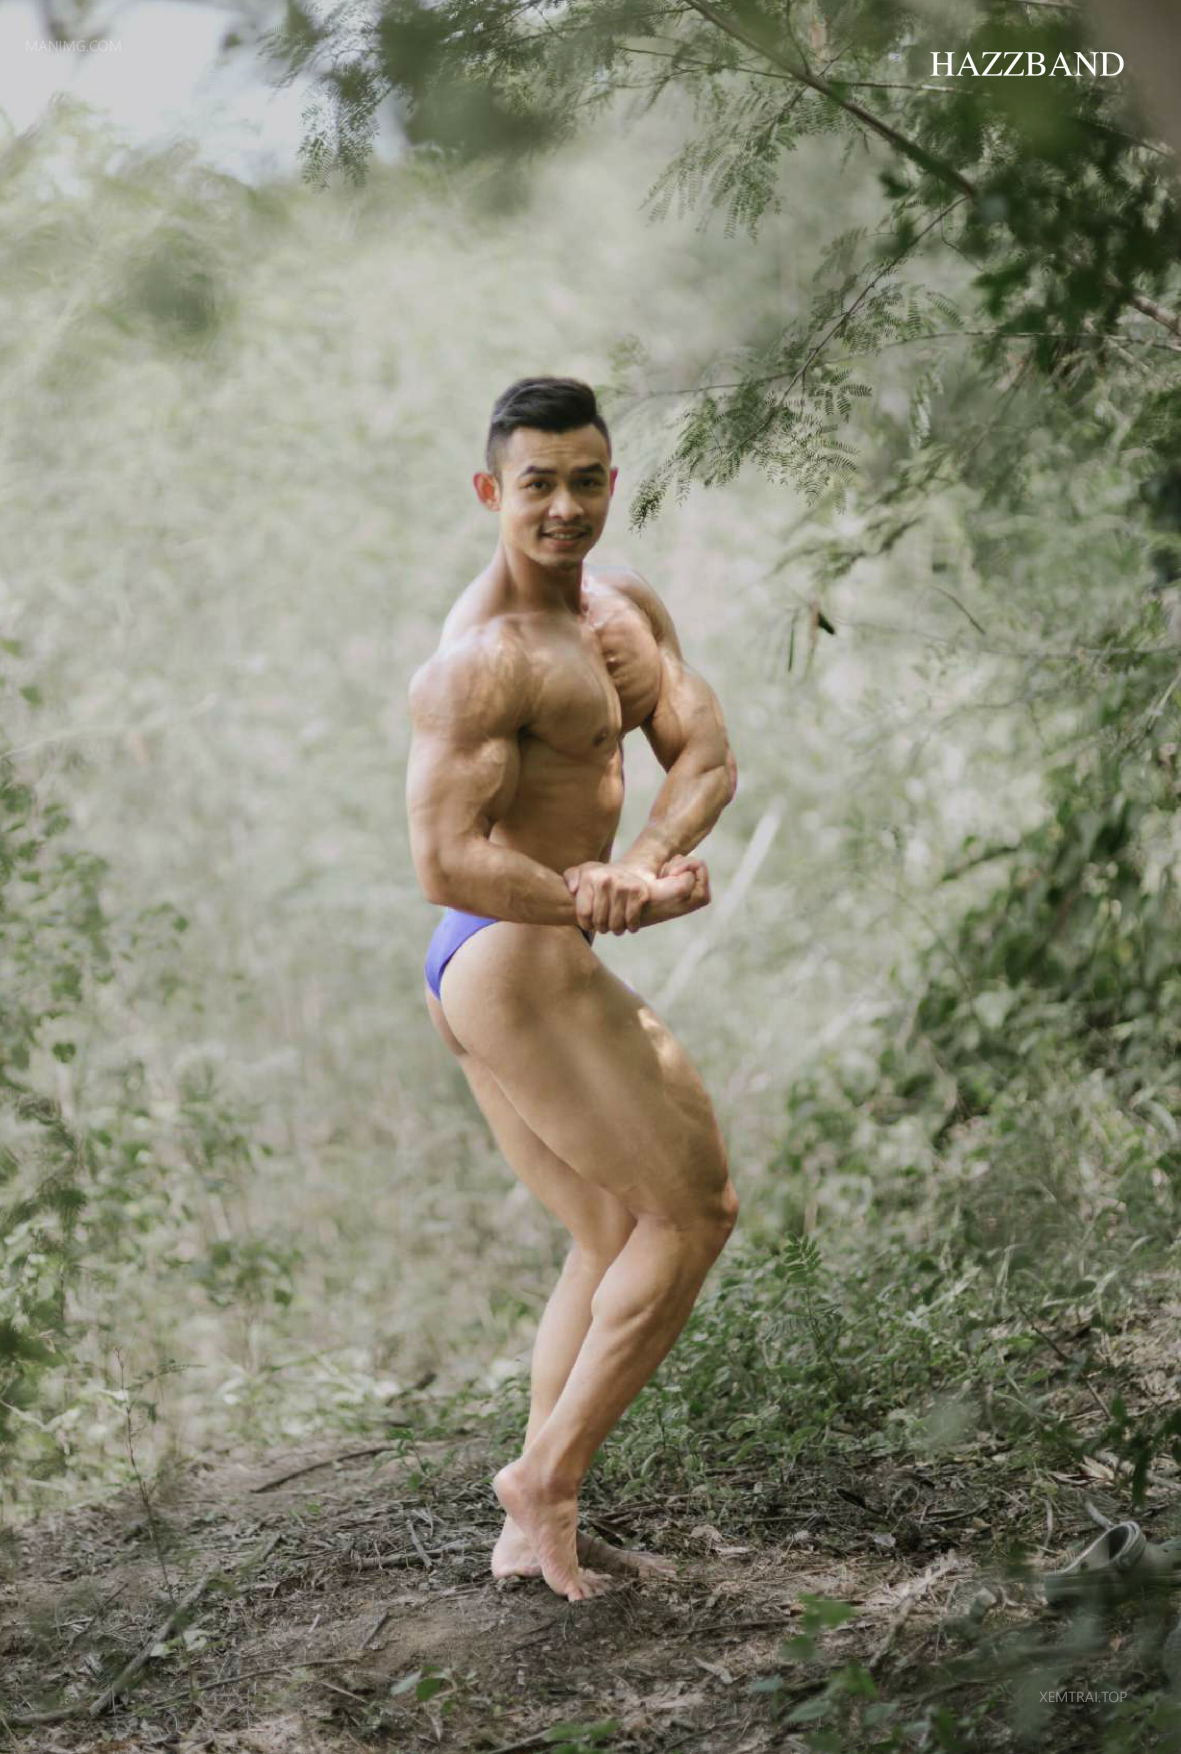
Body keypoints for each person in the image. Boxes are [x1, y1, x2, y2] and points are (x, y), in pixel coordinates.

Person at [405, 376, 740, 1602]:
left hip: (518, 954)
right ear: (491, 490)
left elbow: (705, 753)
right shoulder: (484, 658)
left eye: (585, 480)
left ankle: (529, 1532)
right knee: (695, 1212)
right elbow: (445, 858)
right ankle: (543, 1477)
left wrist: (639, 863)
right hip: (508, 950)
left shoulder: (623, 608)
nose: (564, 507)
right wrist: (592, 900)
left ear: (611, 483)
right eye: (537, 483)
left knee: (609, 1232)